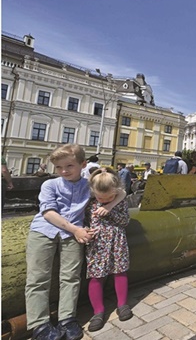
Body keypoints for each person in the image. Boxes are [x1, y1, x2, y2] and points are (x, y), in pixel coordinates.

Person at [25, 144, 124, 340]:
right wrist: (76, 229)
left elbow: (120, 192)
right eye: (59, 167)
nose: (64, 171)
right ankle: (40, 324)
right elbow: (48, 213)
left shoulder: (88, 185)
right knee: (37, 278)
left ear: (83, 164)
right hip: (45, 232)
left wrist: (111, 205)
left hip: (72, 235)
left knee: (70, 277)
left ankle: (67, 318)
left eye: (69, 166)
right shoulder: (50, 185)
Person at [85, 168, 133, 332]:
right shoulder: (91, 204)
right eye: (100, 198)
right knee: (96, 276)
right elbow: (84, 221)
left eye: (109, 198)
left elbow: (125, 221)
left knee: (120, 272)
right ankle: (98, 311)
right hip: (97, 245)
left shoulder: (120, 202)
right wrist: (85, 230)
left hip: (117, 242)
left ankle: (122, 304)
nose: (105, 201)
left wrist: (110, 211)